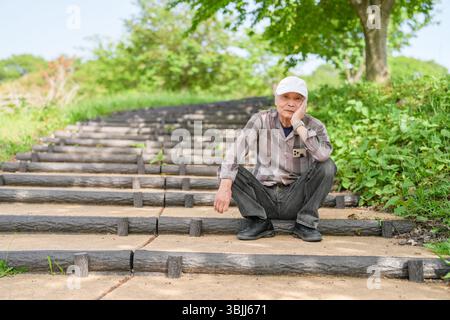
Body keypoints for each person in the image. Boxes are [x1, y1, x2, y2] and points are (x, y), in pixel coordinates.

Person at [214, 76, 337, 242]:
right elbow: (235, 152)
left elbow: (323, 155)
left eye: (297, 99)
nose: (291, 103)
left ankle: (306, 223)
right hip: (263, 197)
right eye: (285, 97)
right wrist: (225, 186)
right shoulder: (261, 120)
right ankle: (259, 221)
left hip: (296, 198)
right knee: (227, 170)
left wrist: (297, 123)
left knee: (327, 166)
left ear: (304, 103)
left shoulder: (315, 125)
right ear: (276, 99)